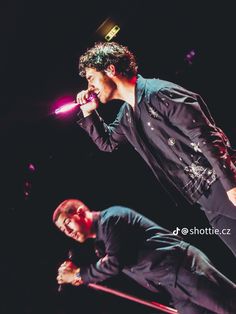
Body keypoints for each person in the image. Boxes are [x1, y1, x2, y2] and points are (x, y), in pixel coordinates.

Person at [76, 41, 236, 257]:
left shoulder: (159, 93)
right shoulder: (127, 115)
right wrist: (89, 113)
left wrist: (231, 185)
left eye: (91, 78)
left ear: (110, 69)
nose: (89, 87)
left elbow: (207, 137)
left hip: (223, 184)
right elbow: (108, 143)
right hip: (205, 199)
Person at [54, 198, 236, 314]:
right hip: (173, 288)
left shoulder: (112, 219)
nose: (68, 231)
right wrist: (79, 277)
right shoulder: (100, 244)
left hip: (184, 269)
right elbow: (109, 266)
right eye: (63, 230)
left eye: (68, 223)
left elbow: (114, 263)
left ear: (80, 212)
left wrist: (79, 274)